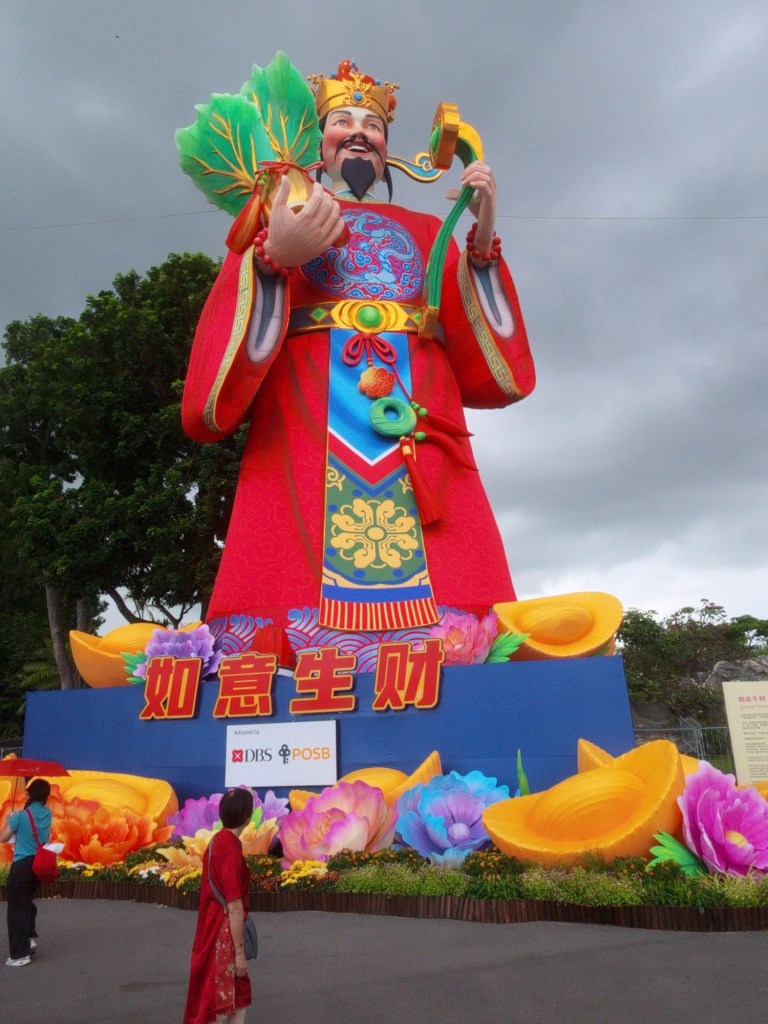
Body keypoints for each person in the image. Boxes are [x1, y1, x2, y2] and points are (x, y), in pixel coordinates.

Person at [182, 60, 536, 664]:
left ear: (388, 149)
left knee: (442, 558)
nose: (358, 133)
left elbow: (477, 347)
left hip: (412, 400)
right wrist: (273, 257)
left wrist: (480, 239)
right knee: (294, 548)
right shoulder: (281, 208)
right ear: (317, 142)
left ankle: (446, 636)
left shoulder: (428, 227)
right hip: (308, 403)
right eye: (342, 121)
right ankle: (297, 642)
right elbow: (234, 313)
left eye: (373, 126)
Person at [183, 787, 254, 1024]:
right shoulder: (231, 852)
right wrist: (240, 953)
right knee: (223, 999)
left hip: (210, 926)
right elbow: (234, 906)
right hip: (223, 933)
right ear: (247, 818)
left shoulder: (217, 841)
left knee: (235, 997)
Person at [1, 778, 52, 967]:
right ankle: (29, 939)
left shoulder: (21, 816)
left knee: (16, 909)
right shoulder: (48, 813)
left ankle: (20, 955)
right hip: (38, 865)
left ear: (30, 793)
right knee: (26, 903)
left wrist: (10, 820)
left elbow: (3, 837)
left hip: (22, 865)